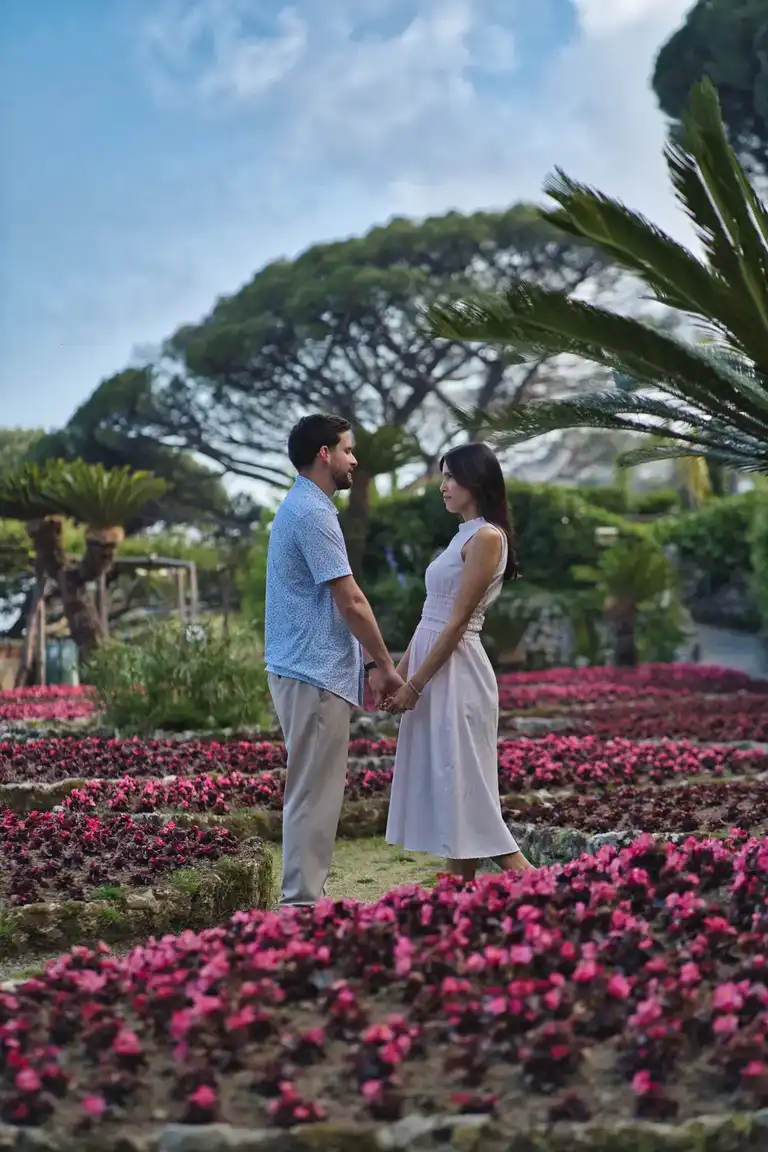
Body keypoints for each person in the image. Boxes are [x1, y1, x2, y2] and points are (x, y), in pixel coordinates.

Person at [265, 414, 403, 906]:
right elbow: (350, 601)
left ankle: (305, 897)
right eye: (347, 450)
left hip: (306, 670)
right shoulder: (313, 512)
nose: (354, 459)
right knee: (312, 793)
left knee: (313, 790)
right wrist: (386, 666)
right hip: (312, 672)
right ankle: (301, 904)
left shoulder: (304, 507)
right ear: (325, 453)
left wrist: (365, 667)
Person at [384, 442, 535, 882]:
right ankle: (458, 896)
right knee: (452, 788)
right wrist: (400, 673)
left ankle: (541, 885)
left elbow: (455, 623)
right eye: (443, 476)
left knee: (465, 783)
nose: (443, 486)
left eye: (450, 477)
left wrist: (414, 685)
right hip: (436, 671)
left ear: (475, 480)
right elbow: (429, 617)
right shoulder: (461, 535)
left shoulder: (487, 537)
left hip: (459, 673)